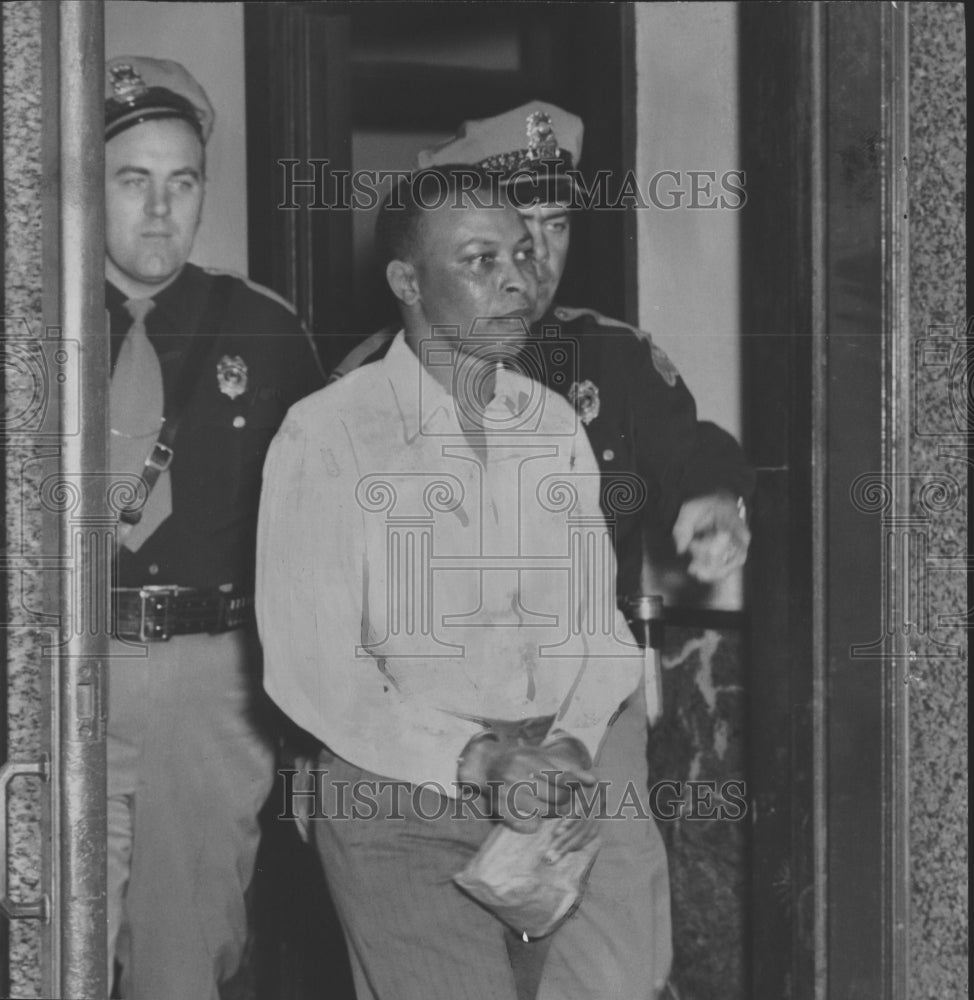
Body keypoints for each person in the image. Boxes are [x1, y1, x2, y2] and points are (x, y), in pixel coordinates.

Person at [257, 167, 672, 999]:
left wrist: (570, 743)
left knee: (619, 982)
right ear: (407, 284)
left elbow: (596, 626)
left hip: (565, 772)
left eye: (521, 252)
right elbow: (313, 671)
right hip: (402, 788)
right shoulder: (327, 432)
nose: (518, 278)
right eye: (480, 261)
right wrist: (479, 761)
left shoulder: (552, 424)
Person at [332, 102, 754, 609]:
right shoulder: (370, 377)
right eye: (517, 227)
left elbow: (691, 452)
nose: (540, 253)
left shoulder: (611, 357)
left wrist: (716, 498)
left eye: (556, 225)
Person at [103, 55, 323, 999]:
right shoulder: (27, 325)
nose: (160, 211)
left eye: (181, 183)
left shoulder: (265, 331)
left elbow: (321, 533)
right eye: (132, 181)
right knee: (41, 941)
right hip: (63, 668)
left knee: (184, 963)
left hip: (211, 679)